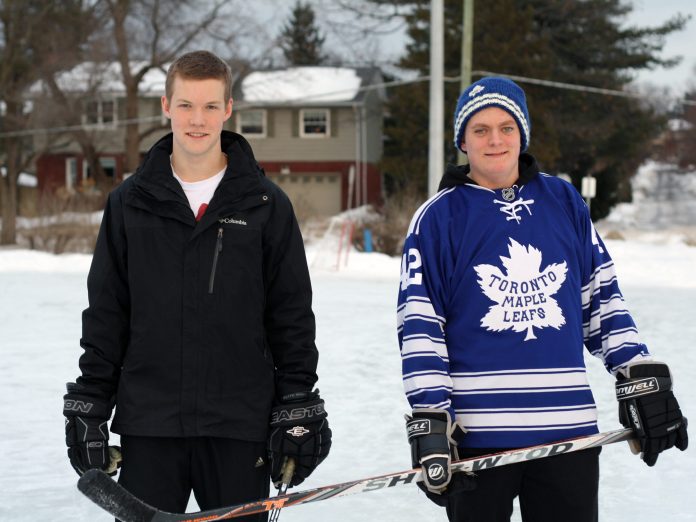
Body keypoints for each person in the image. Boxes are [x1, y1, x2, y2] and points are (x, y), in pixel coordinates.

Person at [397, 76, 688, 522]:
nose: (495, 139)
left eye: (506, 127)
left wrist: (637, 372)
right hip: (477, 440)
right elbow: (420, 323)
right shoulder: (438, 218)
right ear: (463, 140)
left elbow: (600, 299)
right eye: (480, 129)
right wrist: (430, 416)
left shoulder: (564, 201)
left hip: (567, 433)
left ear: (522, 134)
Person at [63, 50, 331, 520]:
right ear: (166, 106)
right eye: (186, 105)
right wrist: (90, 401)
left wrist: (299, 401)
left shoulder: (265, 204)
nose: (197, 120)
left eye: (210, 106)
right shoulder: (129, 203)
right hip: (151, 424)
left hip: (238, 425)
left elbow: (290, 316)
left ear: (229, 110)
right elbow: (107, 313)